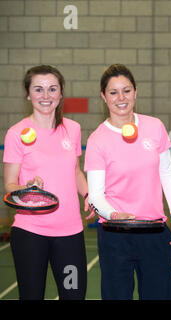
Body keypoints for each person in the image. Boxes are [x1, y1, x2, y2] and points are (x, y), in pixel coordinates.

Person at [84, 64, 171, 300]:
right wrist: (114, 214)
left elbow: (166, 173)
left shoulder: (154, 126)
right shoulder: (97, 140)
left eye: (126, 90)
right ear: (103, 96)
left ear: (136, 92)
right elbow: (96, 196)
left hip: (154, 231)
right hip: (114, 235)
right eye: (113, 92)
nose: (121, 98)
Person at [3, 65, 89, 300]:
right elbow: (9, 185)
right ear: (28, 94)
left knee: (74, 295)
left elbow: (76, 172)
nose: (46, 96)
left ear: (61, 94)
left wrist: (89, 196)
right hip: (30, 233)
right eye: (38, 89)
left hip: (70, 233)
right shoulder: (15, 133)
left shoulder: (72, 129)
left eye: (52, 89)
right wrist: (26, 188)